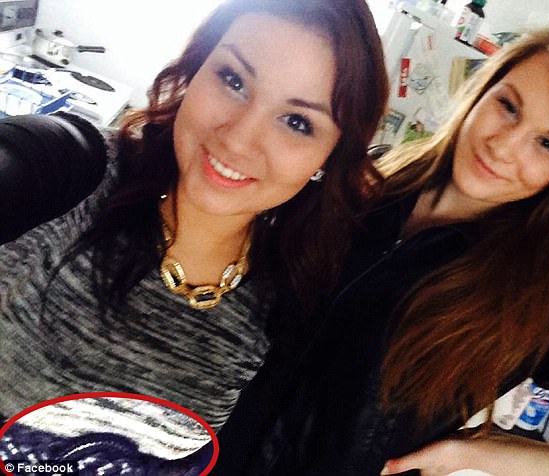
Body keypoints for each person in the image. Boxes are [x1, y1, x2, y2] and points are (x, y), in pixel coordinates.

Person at [214, 19, 549, 475]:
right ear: (483, 90)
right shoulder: (370, 181)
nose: (503, 146)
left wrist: (475, 452)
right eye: (509, 106)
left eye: (547, 144)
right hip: (198, 452)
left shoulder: (546, 304)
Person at [0, 0, 388, 455]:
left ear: (328, 158)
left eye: (297, 122)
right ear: (197, 68)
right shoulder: (71, 172)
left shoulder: (292, 306)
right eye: (233, 80)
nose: (238, 138)